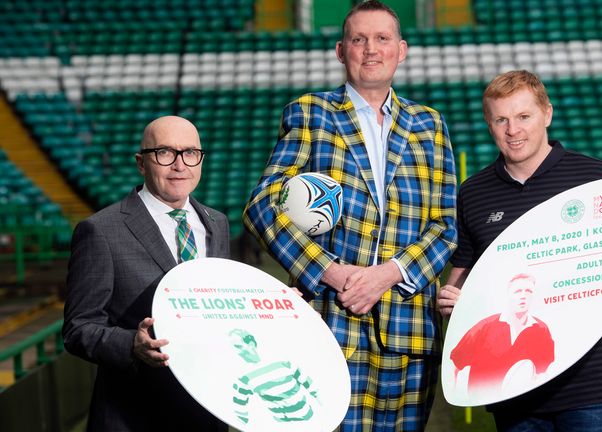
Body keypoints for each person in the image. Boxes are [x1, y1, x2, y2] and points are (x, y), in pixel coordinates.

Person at [242, 1, 457, 430]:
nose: (371, 49)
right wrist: (332, 272)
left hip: (407, 327)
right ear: (342, 51)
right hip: (330, 322)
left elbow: (445, 225)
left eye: (382, 39)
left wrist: (388, 274)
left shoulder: (429, 124)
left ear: (402, 49)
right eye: (359, 39)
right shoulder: (311, 113)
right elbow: (263, 205)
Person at [437, 70, 602, 431]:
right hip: (510, 389)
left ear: (547, 114)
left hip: (589, 385)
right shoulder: (473, 193)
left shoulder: (594, 178)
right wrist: (453, 300)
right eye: (501, 119)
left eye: (524, 116)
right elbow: (461, 277)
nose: (513, 130)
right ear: (489, 124)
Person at [62, 116, 230, 431]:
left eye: (190, 153)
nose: (180, 165)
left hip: (206, 411)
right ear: (141, 163)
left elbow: (219, 305)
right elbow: (78, 329)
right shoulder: (101, 230)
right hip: (134, 415)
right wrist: (132, 346)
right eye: (165, 153)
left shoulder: (216, 222)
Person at [449, 273, 554, 394]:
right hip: (491, 406)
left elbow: (544, 371)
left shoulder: (541, 329)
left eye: (529, 291)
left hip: (530, 401)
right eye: (518, 291)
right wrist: (456, 394)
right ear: (508, 294)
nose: (523, 296)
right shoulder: (484, 327)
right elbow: (456, 364)